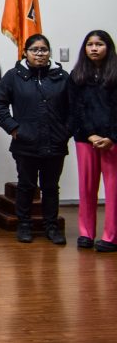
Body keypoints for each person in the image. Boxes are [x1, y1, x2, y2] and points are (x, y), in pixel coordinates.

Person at [0, 34, 70, 244]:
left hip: (55, 142)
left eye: (43, 50)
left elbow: (75, 108)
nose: (39, 54)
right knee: (26, 185)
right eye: (34, 50)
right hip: (25, 142)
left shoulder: (62, 77)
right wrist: (13, 128)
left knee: (51, 187)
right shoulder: (13, 76)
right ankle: (24, 224)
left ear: (49, 53)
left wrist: (66, 131)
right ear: (25, 52)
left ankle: (51, 227)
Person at [68, 30, 117, 252]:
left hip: (112, 141)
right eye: (90, 44)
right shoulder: (77, 75)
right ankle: (86, 233)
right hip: (85, 139)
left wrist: (111, 137)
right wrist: (90, 134)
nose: (94, 48)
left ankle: (111, 237)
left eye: (99, 44)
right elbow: (74, 110)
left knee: (113, 189)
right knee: (87, 188)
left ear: (109, 47)